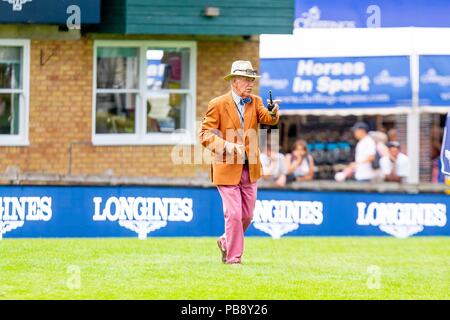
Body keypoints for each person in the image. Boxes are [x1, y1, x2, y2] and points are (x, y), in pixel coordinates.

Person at [199, 60, 280, 264]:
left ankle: (226, 241)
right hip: (226, 167)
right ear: (234, 81)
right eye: (246, 79)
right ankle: (234, 259)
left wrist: (272, 111)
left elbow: (269, 119)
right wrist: (225, 145)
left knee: (246, 216)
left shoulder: (255, 101)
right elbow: (204, 134)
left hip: (250, 168)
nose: (250, 83)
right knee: (233, 214)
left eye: (252, 79)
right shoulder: (217, 104)